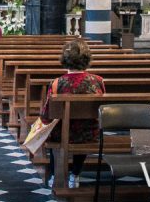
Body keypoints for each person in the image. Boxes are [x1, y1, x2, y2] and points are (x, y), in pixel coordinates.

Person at [39, 38, 106, 189]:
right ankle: (75, 174)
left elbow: (47, 115)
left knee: (53, 130)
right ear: (87, 59)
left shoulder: (57, 83)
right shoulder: (98, 81)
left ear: (65, 59)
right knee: (84, 128)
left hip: (63, 133)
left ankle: (56, 175)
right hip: (90, 133)